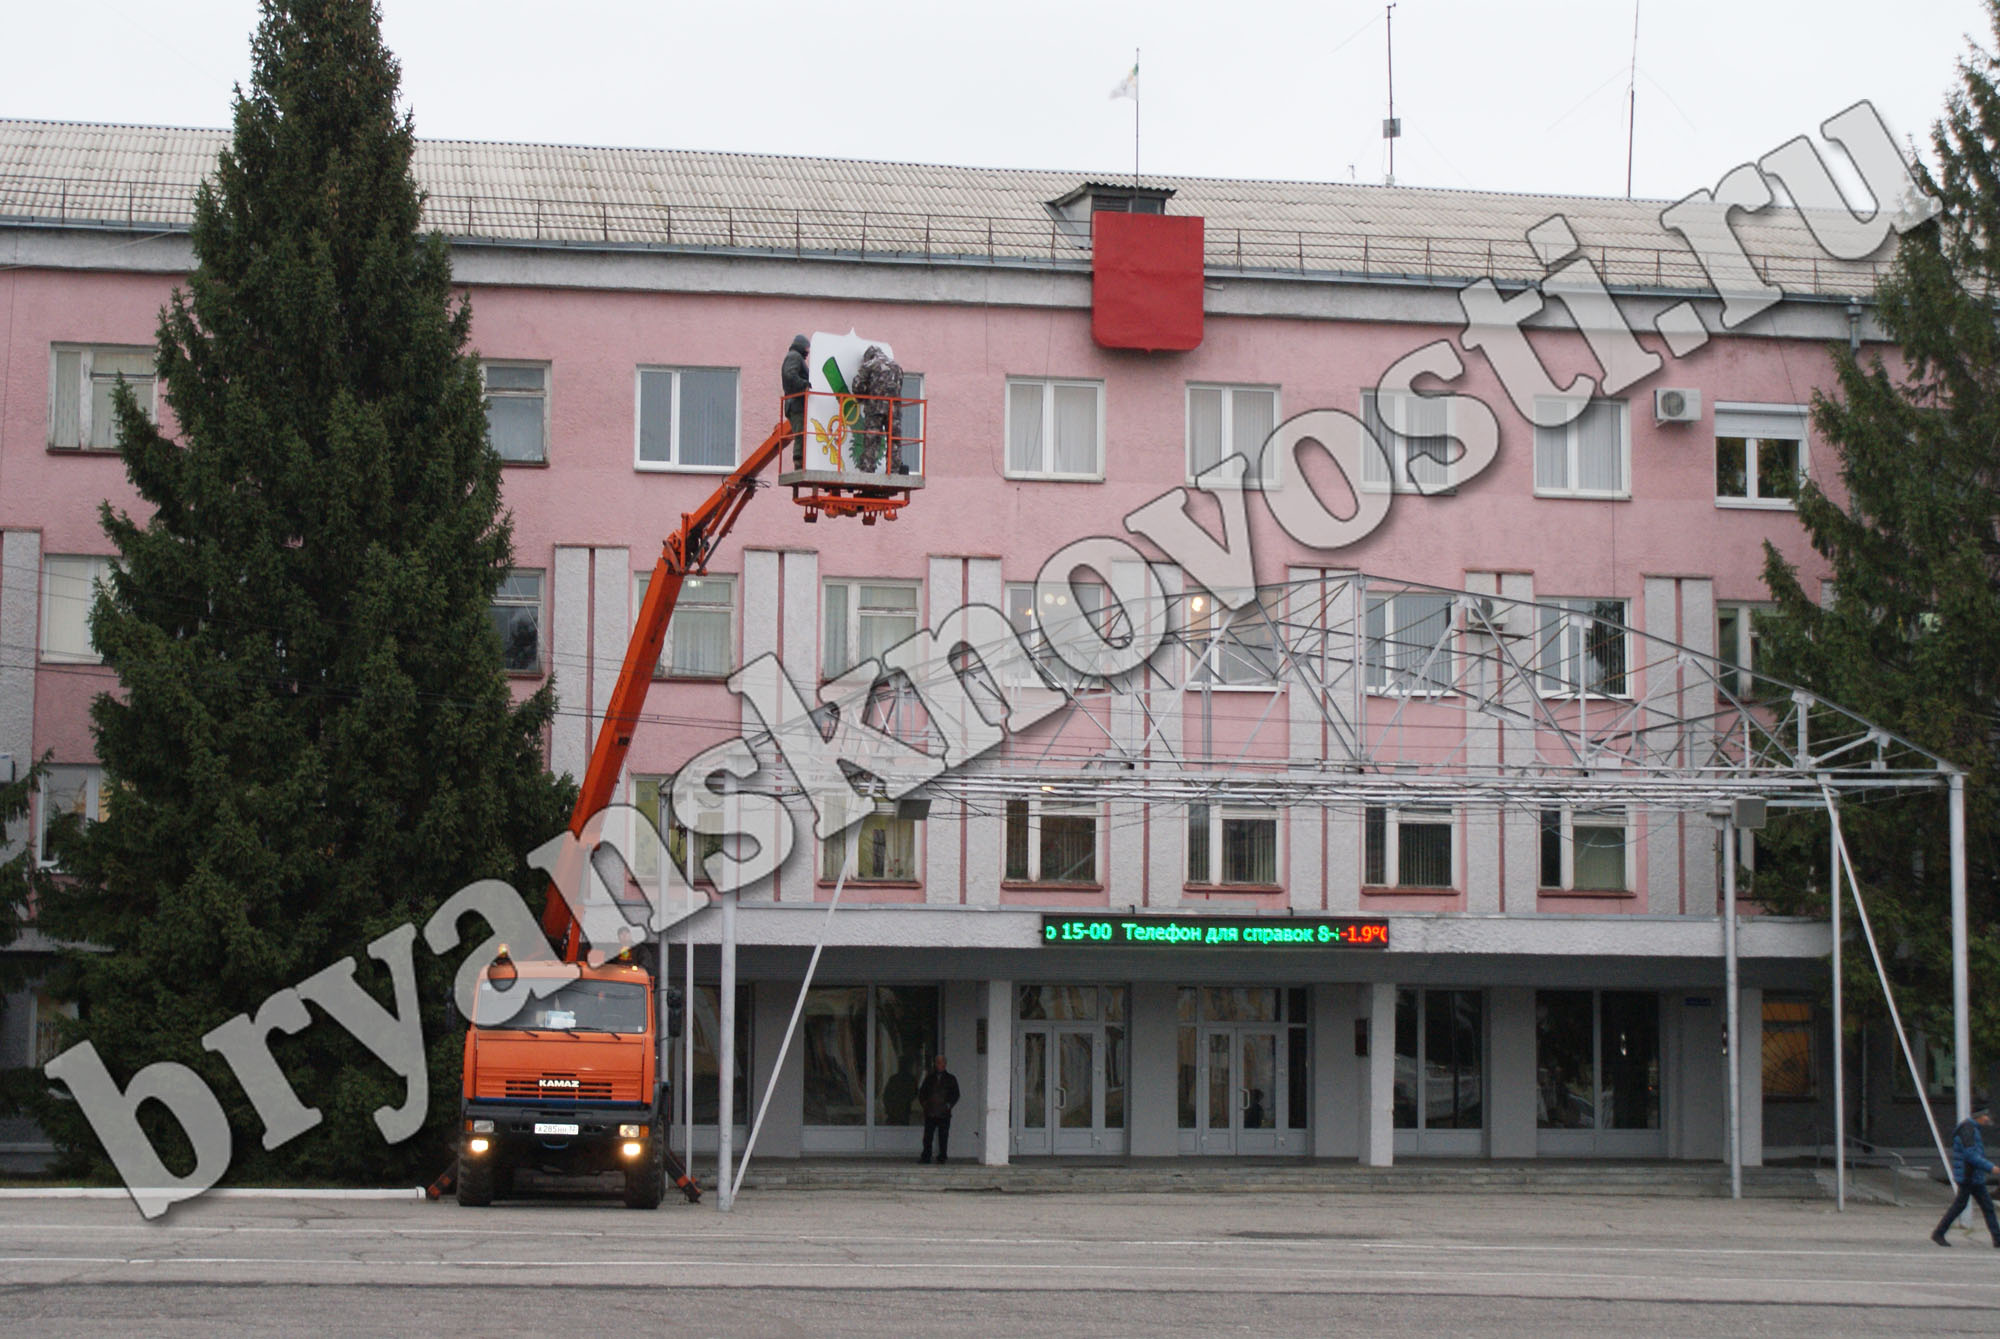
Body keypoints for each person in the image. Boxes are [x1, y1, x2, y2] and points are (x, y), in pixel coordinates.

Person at [1932, 1099, 2000, 1247]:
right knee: (1964, 1206)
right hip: (1968, 1176)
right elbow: (1971, 1155)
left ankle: (1997, 1238)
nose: (1988, 1118)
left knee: (1984, 1206)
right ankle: (1938, 1233)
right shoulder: (1968, 1130)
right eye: (1986, 1115)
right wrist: (1990, 1168)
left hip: (1973, 1176)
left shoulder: (1971, 1129)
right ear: (1980, 1116)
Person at [917, 1053, 960, 1164]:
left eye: (941, 1062)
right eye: (937, 1062)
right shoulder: (929, 1078)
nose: (939, 1065)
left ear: (945, 1064)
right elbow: (922, 1093)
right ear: (935, 1064)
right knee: (928, 1137)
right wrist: (925, 1104)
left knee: (943, 1136)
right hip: (930, 1112)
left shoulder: (951, 1079)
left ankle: (942, 1157)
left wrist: (948, 1105)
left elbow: (955, 1094)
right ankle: (926, 1156)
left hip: (944, 1113)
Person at [780, 334, 811, 469]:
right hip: (795, 404)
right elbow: (789, 375)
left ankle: (801, 461)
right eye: (806, 348)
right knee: (801, 432)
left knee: (802, 431)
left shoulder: (794, 356)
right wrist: (805, 384)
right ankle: (799, 462)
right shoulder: (794, 356)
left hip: (795, 403)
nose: (807, 352)